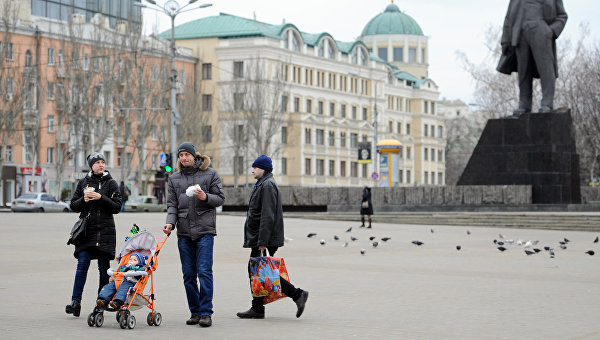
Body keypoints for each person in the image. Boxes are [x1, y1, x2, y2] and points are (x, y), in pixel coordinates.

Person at [236, 155, 309, 319]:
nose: (252, 170)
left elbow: (267, 216)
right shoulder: (263, 183)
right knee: (259, 271)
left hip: (263, 239)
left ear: (263, 169)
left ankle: (297, 294)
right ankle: (258, 308)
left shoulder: (267, 185)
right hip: (261, 237)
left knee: (262, 271)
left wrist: (263, 241)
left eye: (255, 167)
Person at [162, 142, 225, 328]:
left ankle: (206, 313)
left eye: (186, 155)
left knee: (204, 272)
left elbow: (220, 199)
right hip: (183, 232)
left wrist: (204, 197)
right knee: (188, 275)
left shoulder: (210, 174)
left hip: (205, 231)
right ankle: (195, 311)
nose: (184, 158)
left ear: (194, 156)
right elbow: (172, 204)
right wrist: (169, 222)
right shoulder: (174, 179)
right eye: (181, 155)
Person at [66, 152, 121, 317]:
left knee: (104, 269)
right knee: (82, 266)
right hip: (86, 232)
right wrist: (84, 200)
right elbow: (73, 205)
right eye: (97, 162)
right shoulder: (83, 182)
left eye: (103, 162)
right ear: (91, 165)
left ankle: (100, 304)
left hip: (105, 232)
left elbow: (117, 207)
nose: (101, 165)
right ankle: (75, 302)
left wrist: (100, 197)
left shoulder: (111, 183)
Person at [498, 0, 567, 115]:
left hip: (541, 31)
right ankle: (524, 105)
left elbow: (562, 16)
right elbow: (508, 17)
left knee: (546, 69)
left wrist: (551, 31)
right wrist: (505, 40)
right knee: (523, 71)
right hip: (520, 33)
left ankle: (547, 104)